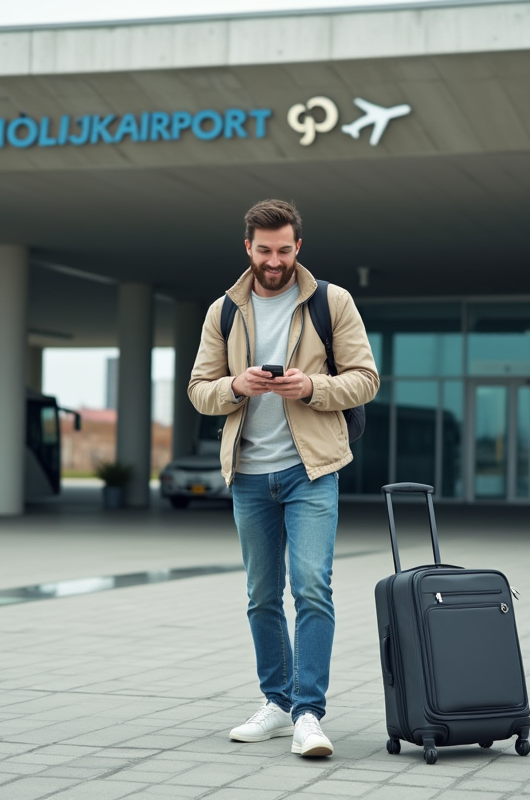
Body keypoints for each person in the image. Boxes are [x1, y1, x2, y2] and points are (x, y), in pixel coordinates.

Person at [187, 199, 379, 757]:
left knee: (313, 588)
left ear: (299, 246)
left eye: (285, 249)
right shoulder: (224, 310)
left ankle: (308, 714)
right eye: (265, 250)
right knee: (261, 595)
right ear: (248, 247)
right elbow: (200, 391)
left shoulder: (330, 302)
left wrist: (313, 388)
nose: (275, 260)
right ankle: (276, 703)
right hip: (248, 472)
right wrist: (236, 387)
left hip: (310, 470)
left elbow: (366, 379)